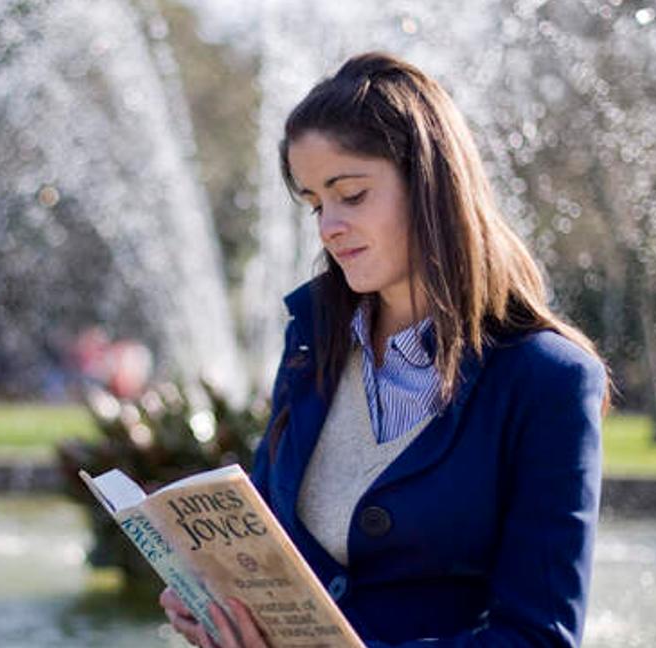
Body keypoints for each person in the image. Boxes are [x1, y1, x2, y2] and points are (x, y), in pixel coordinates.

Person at [161, 53, 610, 647]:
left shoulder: (547, 380)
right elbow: (277, 554)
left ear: (431, 183)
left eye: (351, 194)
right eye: (316, 203)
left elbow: (539, 638)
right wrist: (219, 607)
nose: (328, 228)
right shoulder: (310, 346)